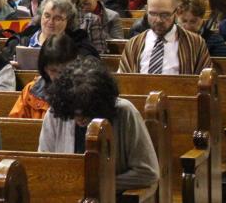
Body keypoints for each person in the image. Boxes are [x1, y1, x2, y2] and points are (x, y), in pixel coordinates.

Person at [40, 57, 160, 193]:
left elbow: (148, 173)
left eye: (86, 112)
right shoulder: (55, 113)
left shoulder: (125, 112)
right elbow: (45, 166)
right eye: (74, 112)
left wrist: (97, 184)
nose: (80, 119)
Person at [119, 0, 212, 74]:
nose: (158, 20)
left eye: (165, 15)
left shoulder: (195, 43)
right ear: (147, 11)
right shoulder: (134, 44)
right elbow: (124, 80)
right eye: (153, 14)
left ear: (176, 12)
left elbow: (204, 82)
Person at [9, 34, 78, 119]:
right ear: (45, 69)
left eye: (64, 71)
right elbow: (15, 124)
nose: (59, 76)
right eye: (53, 70)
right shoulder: (31, 90)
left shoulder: (83, 91)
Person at [15, 0, 99, 58]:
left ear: (68, 21)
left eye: (57, 18)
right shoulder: (23, 40)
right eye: (47, 16)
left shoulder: (78, 46)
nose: (50, 22)